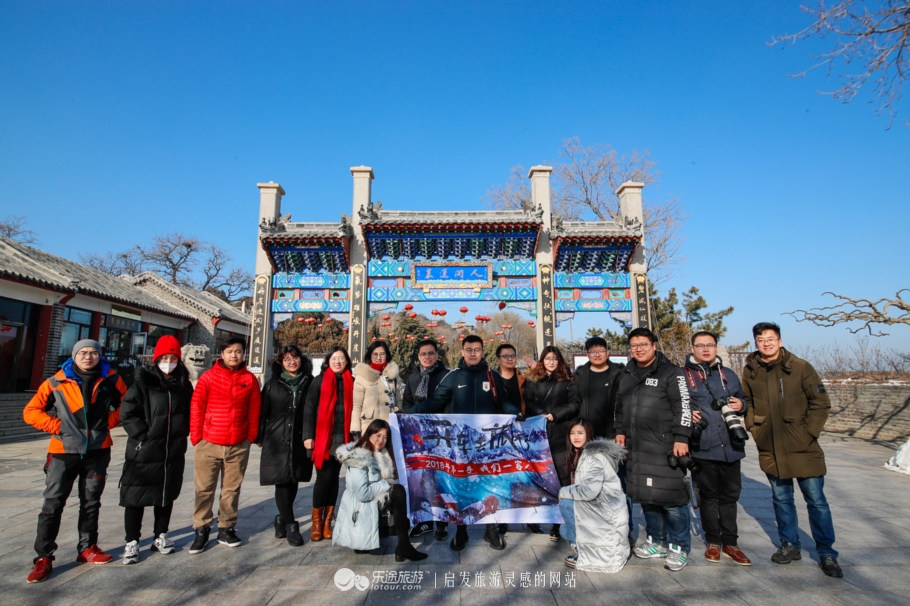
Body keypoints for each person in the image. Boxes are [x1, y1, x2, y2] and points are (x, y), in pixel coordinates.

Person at [742, 322, 842, 578]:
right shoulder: (751, 370)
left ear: (780, 341)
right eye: (761, 339)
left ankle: (827, 552)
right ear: (756, 343)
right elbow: (748, 402)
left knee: (816, 502)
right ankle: (789, 545)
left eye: (771, 339)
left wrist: (808, 433)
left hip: (803, 446)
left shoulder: (800, 367)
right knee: (782, 499)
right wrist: (755, 428)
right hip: (771, 446)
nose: (766, 343)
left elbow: (821, 402)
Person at [23, 339, 127, 583]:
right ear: (74, 355)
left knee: (91, 501)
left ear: (99, 356)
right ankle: (43, 557)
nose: (88, 356)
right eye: (83, 352)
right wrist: (57, 426)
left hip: (98, 451)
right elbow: (31, 411)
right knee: (53, 503)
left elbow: (129, 404)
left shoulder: (111, 379)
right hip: (62, 451)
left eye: (93, 352)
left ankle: (87, 548)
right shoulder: (56, 381)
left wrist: (108, 423)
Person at [412, 334, 521, 551]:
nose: (473, 354)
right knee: (462, 486)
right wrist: (410, 412)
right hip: (460, 444)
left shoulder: (492, 376)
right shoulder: (454, 376)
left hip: (488, 443)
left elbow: (504, 402)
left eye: (477, 350)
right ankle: (461, 531)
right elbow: (435, 401)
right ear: (462, 351)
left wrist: (515, 413)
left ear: (483, 351)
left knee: (490, 485)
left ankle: (491, 530)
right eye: (469, 350)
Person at [614, 327, 693, 572]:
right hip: (636, 447)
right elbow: (619, 406)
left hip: (665, 446)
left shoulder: (671, 372)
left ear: (654, 346)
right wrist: (619, 430)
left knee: (671, 498)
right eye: (634, 345)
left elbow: (684, 406)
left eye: (643, 344)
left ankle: (679, 547)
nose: (638, 348)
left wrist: (682, 437)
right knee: (646, 496)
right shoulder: (626, 373)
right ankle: (656, 541)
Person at [119, 335, 192, 564]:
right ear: (156, 359)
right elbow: (128, 412)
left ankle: (161, 535)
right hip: (145, 449)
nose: (168, 362)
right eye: (164, 357)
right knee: (135, 496)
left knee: (165, 493)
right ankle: (132, 541)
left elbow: (192, 411)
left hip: (172, 449)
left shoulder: (183, 384)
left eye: (173, 358)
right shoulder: (143, 382)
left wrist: (184, 432)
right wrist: (143, 435)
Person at [188, 337, 261, 554]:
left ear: (243, 354)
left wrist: (250, 437)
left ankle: (226, 528)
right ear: (222, 354)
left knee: (231, 489)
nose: (234, 355)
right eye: (230, 351)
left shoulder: (249, 379)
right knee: (204, 489)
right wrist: (197, 438)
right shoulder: (208, 378)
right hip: (208, 442)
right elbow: (197, 407)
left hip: (238, 443)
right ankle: (201, 528)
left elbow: (255, 410)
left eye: (238, 351)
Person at [684, 331, 751, 566]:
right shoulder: (683, 376)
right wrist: (685, 415)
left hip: (731, 446)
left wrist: (741, 405)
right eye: (700, 345)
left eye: (709, 345)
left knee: (730, 497)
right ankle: (713, 541)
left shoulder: (729, 374)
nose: (705, 349)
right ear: (692, 348)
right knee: (709, 497)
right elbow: (674, 405)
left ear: (716, 347)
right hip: (703, 445)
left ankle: (731, 543)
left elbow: (743, 401)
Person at [333, 419, 428, 562]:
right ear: (369, 433)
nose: (381, 440)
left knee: (403, 517)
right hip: (360, 513)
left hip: (370, 507)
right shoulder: (359, 457)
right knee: (397, 491)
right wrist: (386, 483)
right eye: (378, 435)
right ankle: (394, 540)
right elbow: (363, 494)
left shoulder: (380, 453)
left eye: (385, 437)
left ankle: (403, 546)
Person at [522, 345, 581, 542]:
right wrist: (540, 413)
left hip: (560, 433)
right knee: (537, 476)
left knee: (561, 477)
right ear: (542, 360)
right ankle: (534, 517)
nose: (551, 362)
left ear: (560, 360)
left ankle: (559, 522)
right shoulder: (533, 379)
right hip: (538, 434)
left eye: (555, 359)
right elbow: (528, 400)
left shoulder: (568, 380)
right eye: (548, 359)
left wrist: (555, 415)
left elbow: (574, 404)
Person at [258, 345, 314, 547]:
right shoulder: (273, 384)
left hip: (301, 438)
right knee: (281, 481)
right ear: (281, 362)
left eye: (296, 357)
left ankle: (281, 518)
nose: (292, 361)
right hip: (276, 439)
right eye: (287, 358)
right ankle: (291, 524)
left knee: (294, 479)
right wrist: (259, 436)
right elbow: (263, 411)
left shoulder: (310, 383)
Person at [558, 419, 630, 572]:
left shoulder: (594, 457)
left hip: (605, 512)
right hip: (601, 507)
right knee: (564, 530)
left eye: (580, 433)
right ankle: (582, 544)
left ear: (588, 434)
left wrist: (563, 491)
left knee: (565, 503)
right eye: (572, 433)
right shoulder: (583, 453)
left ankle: (584, 552)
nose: (575, 437)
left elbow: (588, 491)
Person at [303, 346, 354, 542]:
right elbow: (309, 408)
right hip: (323, 438)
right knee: (323, 479)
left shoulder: (351, 381)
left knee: (334, 480)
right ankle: (316, 522)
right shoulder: (319, 381)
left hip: (343, 439)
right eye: (334, 358)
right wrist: (308, 436)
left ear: (347, 361)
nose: (338, 361)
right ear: (328, 361)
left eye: (341, 358)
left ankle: (327, 522)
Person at [401, 339, 450, 541]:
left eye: (431, 353)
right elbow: (407, 403)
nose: (427, 357)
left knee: (441, 478)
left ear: (437, 355)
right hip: (418, 436)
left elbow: (445, 402)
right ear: (418, 356)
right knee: (421, 477)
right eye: (423, 354)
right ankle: (425, 521)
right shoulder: (412, 377)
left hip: (440, 434)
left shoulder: (447, 376)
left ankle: (442, 522)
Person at [494, 342, 538, 535]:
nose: (510, 358)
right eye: (506, 356)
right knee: (503, 476)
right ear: (498, 359)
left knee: (525, 475)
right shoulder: (491, 379)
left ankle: (530, 516)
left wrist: (537, 372)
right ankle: (503, 518)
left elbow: (540, 393)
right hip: (499, 433)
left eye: (513, 355)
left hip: (523, 430)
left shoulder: (523, 377)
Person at [351, 341, 401, 436]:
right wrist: (355, 429)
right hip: (369, 425)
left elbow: (399, 400)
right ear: (370, 356)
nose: (379, 358)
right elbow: (357, 405)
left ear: (387, 355)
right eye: (375, 354)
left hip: (391, 425)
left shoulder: (393, 375)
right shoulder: (362, 376)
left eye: (382, 354)